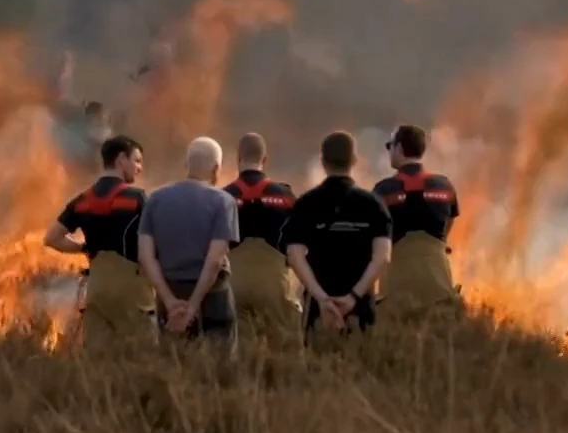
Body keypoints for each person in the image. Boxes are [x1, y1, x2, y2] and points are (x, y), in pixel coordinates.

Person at [44, 135, 153, 347]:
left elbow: (51, 238)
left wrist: (83, 248)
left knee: (98, 356)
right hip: (133, 291)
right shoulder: (136, 198)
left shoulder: (83, 200)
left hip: (97, 289)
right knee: (140, 354)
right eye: (137, 161)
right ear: (121, 159)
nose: (139, 167)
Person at [286, 131, 392, 340]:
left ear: (323, 162)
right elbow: (382, 256)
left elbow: (294, 255)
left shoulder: (306, 203)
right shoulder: (374, 204)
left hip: (317, 310)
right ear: (354, 161)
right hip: (361, 308)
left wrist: (322, 299)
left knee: (315, 368)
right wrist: (353, 297)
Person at [138, 137, 241, 349]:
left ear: (186, 165)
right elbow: (214, 261)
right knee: (219, 371)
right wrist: (193, 306)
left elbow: (146, 257)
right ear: (216, 169)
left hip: (170, 295)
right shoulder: (223, 202)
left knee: (173, 366)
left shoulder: (155, 199)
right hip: (213, 298)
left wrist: (169, 302)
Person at [372, 124, 462, 319]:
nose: (389, 151)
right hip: (439, 287)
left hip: (396, 290)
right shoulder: (445, 186)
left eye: (390, 145)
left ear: (399, 148)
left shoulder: (383, 190)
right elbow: (450, 222)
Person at [221, 132, 300, 338]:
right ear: (265, 160)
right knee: (282, 345)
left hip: (233, 285)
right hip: (275, 286)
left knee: (236, 345)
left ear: (238, 157)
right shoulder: (285, 196)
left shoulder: (223, 196)